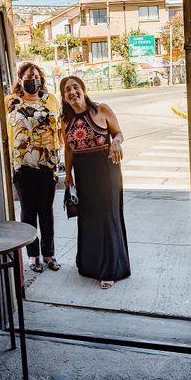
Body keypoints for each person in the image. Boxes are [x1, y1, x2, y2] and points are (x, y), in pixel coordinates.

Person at [60, 76, 131, 289]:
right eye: (67, 90)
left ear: (83, 89)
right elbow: (69, 148)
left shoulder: (102, 110)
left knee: (107, 217)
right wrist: (68, 173)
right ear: (64, 96)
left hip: (105, 168)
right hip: (83, 171)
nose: (73, 92)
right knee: (89, 218)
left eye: (75, 87)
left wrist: (116, 143)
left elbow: (118, 133)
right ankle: (90, 266)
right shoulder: (65, 120)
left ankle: (110, 270)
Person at [5, 62, 62, 272]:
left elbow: (59, 129)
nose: (33, 80)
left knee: (46, 211)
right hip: (23, 166)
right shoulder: (10, 102)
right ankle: (32, 256)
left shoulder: (52, 100)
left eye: (36, 76)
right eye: (29, 76)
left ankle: (49, 254)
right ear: (20, 79)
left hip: (48, 165)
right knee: (28, 212)